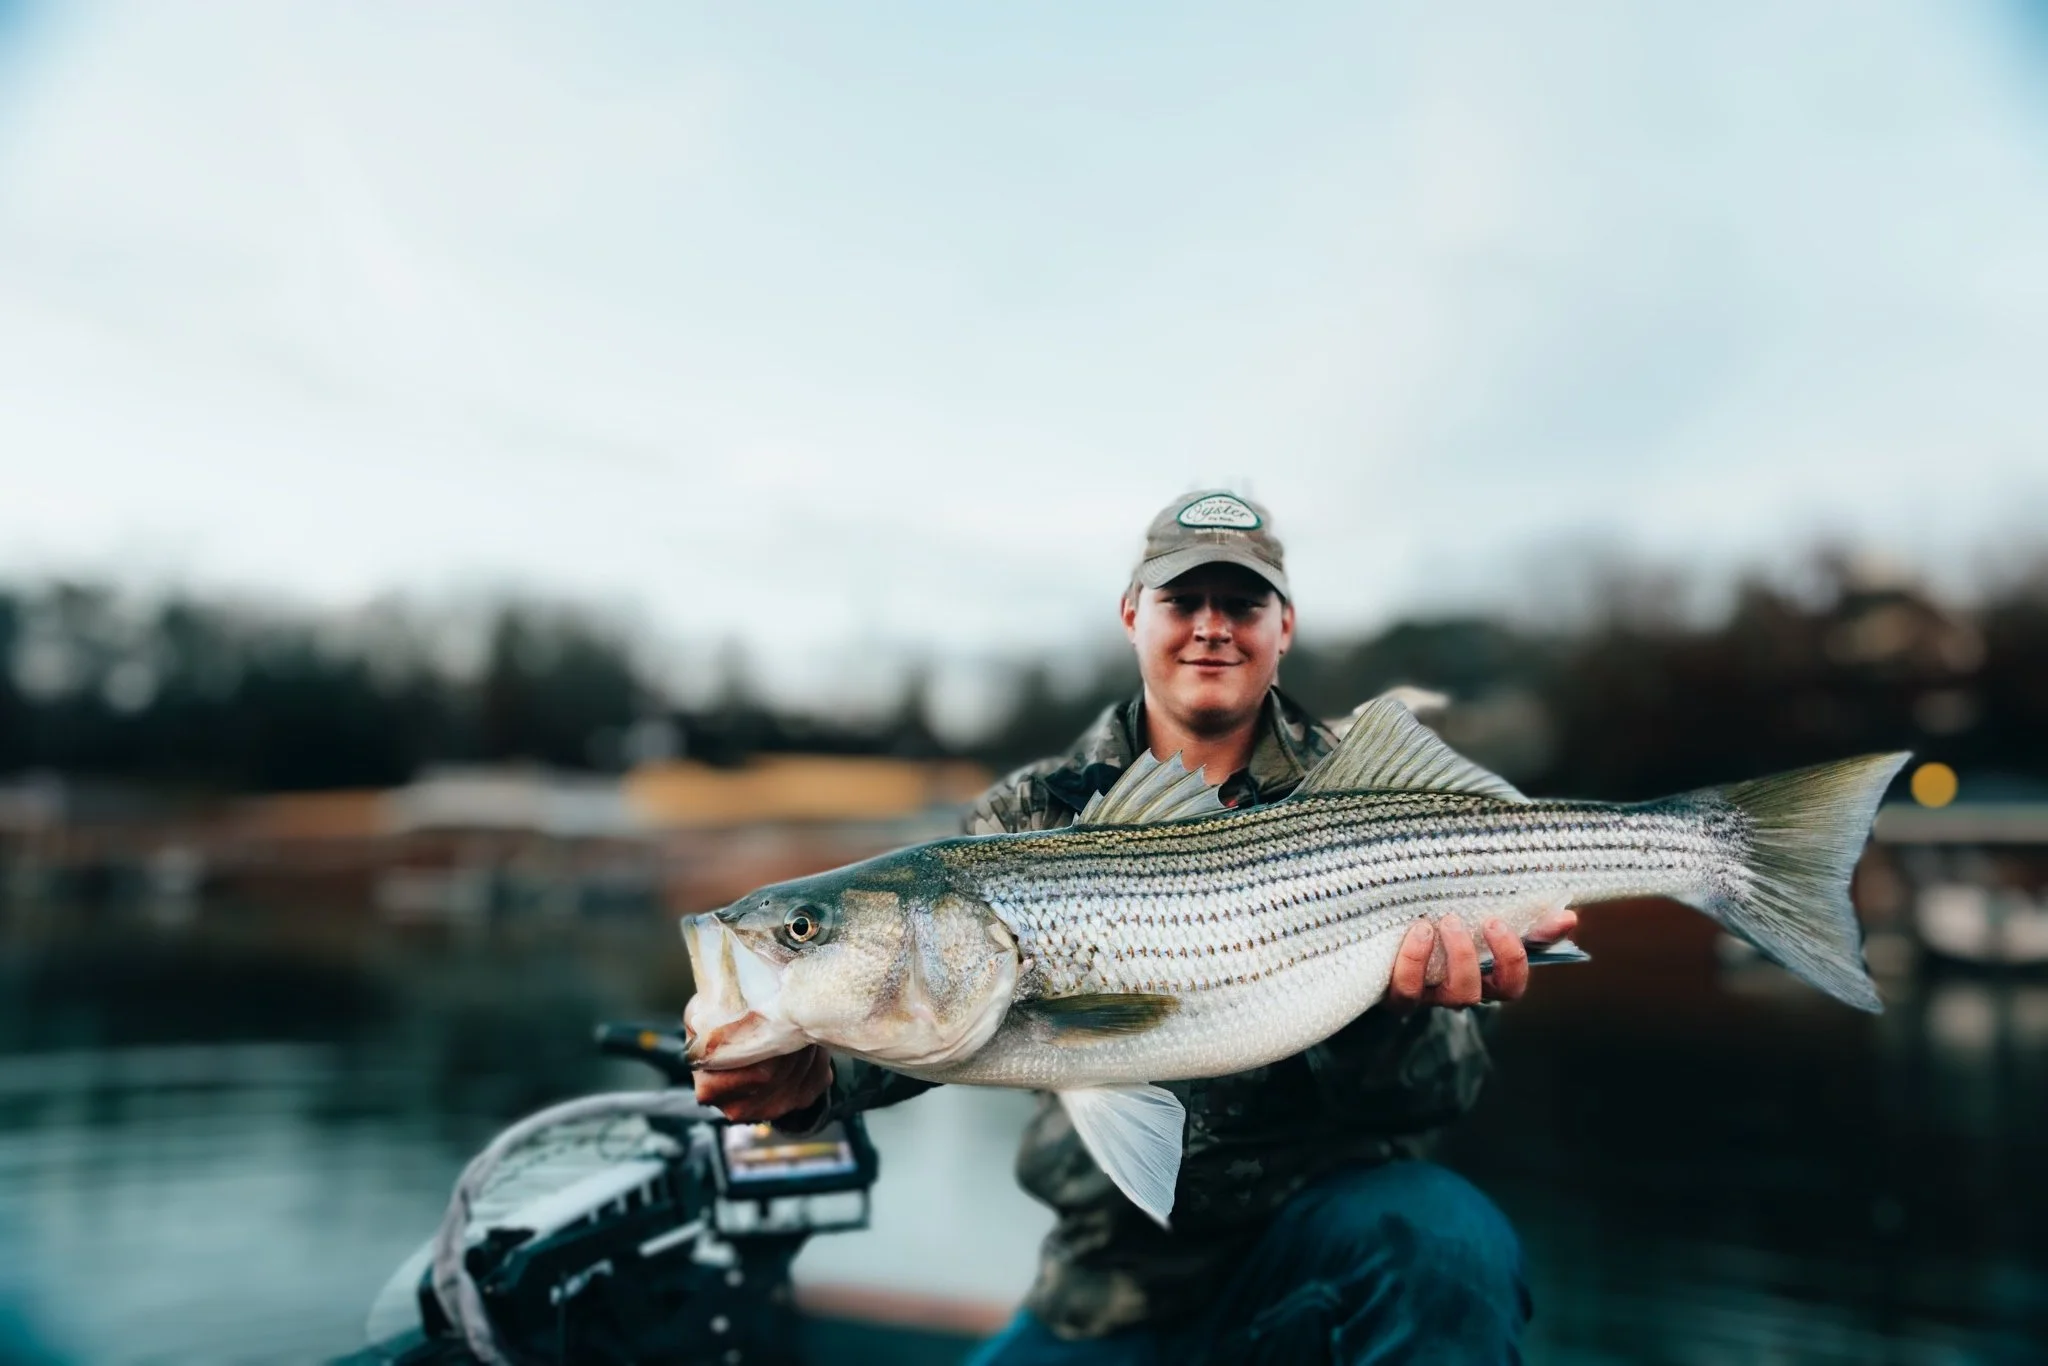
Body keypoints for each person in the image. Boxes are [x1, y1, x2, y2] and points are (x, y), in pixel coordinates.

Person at [696, 489, 1577, 1364]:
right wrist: (804, 1079)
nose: (1211, 626)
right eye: (1182, 600)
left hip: (1327, 1248)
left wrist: (1402, 1011)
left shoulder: (1368, 796)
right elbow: (923, 1021)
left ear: (1284, 627)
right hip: (1108, 1285)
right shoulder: (1026, 813)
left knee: (1450, 1243)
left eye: (1242, 603)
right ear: (1131, 615)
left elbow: (1441, 1096)